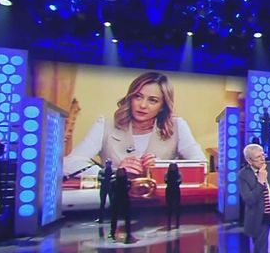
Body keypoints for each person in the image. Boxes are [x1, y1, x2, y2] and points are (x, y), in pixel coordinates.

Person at [62, 71, 205, 177]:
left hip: (160, 203)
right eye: (138, 96)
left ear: (162, 106)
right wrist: (113, 172)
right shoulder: (104, 125)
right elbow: (69, 164)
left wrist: (162, 167)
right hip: (115, 200)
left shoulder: (177, 126)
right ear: (130, 98)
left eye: (153, 100)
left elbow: (202, 165)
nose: (143, 105)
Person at [110, 167, 135, 243]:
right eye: (120, 172)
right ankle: (112, 232)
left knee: (127, 217)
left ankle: (128, 233)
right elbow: (112, 191)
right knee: (114, 217)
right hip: (116, 200)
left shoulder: (128, 181)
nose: (121, 173)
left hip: (125, 200)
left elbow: (129, 189)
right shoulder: (113, 181)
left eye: (122, 172)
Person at [165, 162, 182, 230]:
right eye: (172, 166)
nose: (173, 168)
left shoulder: (179, 174)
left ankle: (177, 224)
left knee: (177, 207)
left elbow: (180, 181)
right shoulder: (167, 174)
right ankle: (169, 224)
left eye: (174, 166)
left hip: (176, 191)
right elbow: (165, 180)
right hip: (169, 190)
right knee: (169, 208)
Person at [97, 159, 114, 223]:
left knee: (112, 204)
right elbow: (99, 178)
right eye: (107, 163)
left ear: (111, 164)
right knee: (102, 203)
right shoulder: (101, 171)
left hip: (111, 189)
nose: (108, 164)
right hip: (103, 188)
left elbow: (115, 178)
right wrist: (108, 179)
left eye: (109, 163)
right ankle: (100, 218)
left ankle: (113, 218)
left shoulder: (114, 171)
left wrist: (106, 179)